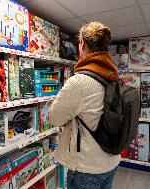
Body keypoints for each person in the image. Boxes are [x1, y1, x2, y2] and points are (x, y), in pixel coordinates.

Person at [50, 22, 120, 189]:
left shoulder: (79, 82)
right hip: (111, 160)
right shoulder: (113, 78)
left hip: (86, 167)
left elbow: (54, 118)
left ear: (83, 45)